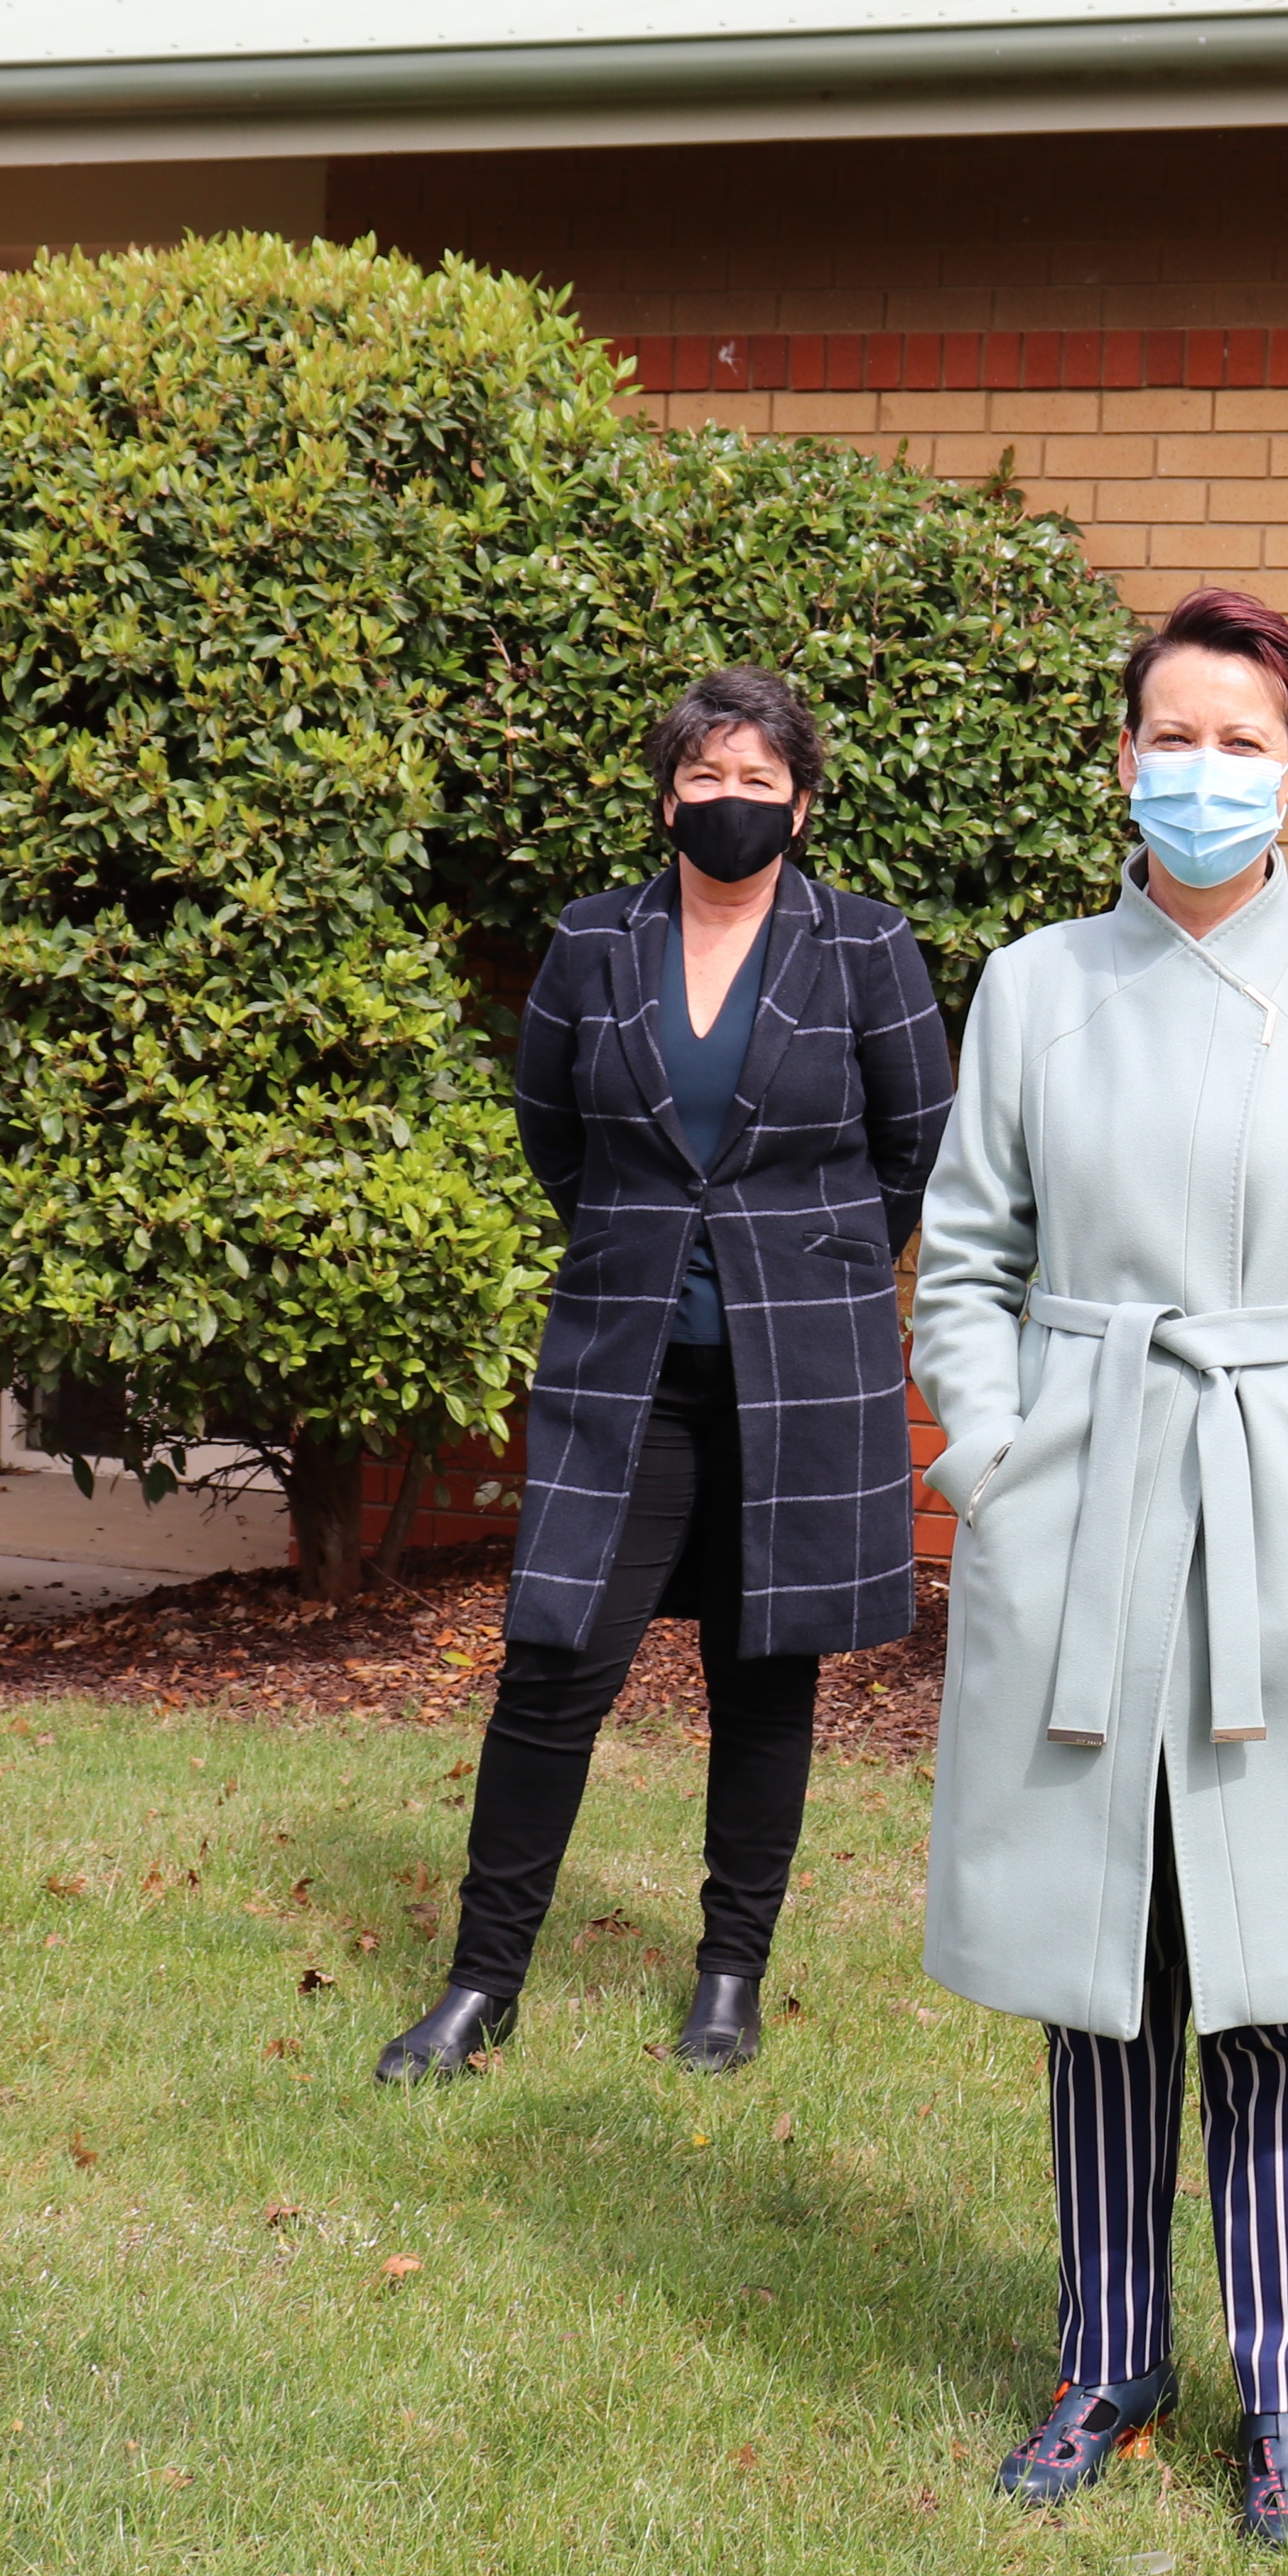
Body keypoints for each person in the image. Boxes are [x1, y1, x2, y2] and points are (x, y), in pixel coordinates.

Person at [909, 585, 1288, 2552]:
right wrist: (995, 1466)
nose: (1207, 771)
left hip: (1281, 1519)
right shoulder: (1032, 987)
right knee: (1104, 1965)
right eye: (1177, 735)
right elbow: (967, 1255)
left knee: (1283, 1971)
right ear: (1122, 758)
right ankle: (1108, 2354)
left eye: (1246, 741)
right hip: (1081, 1499)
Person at [378, 666, 953, 2085]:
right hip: (624, 1359)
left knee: (766, 1673)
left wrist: (810, 1266)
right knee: (555, 1660)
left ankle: (729, 1974)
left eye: (761, 782)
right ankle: (481, 1982)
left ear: (803, 803)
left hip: (801, 1368)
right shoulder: (591, 944)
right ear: (668, 794)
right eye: (708, 778)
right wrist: (651, 1246)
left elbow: (916, 1143)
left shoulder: (866, 946)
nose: (732, 803)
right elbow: (552, 1135)